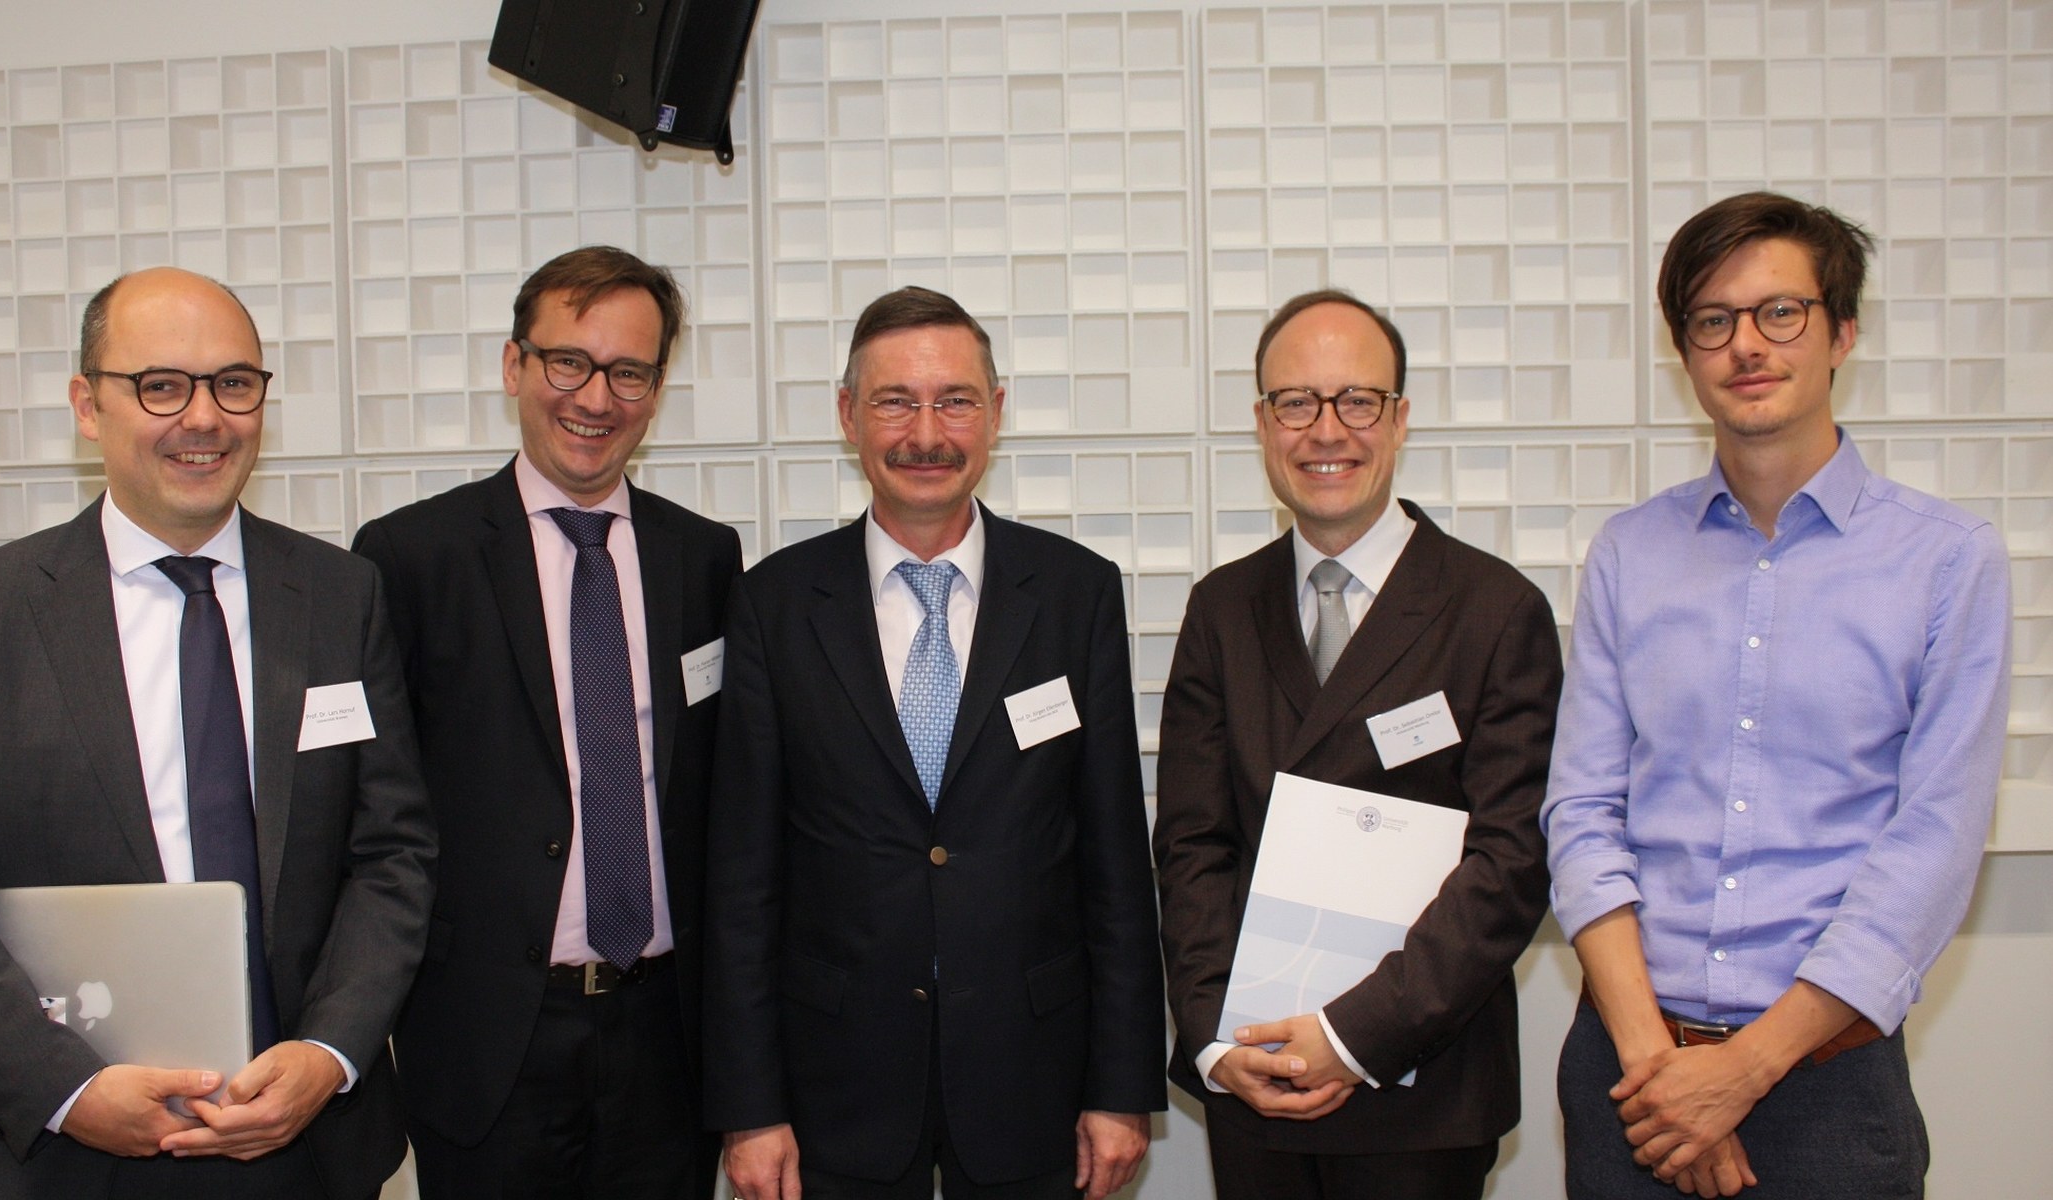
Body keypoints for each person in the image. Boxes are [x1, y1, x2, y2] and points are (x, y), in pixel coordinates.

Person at [0, 266, 435, 1198]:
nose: (204, 418)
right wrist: (66, 1088)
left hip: (310, 1147)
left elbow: (392, 853)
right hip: (74, 1159)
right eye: (161, 385)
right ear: (88, 405)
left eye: (233, 384)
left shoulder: (338, 596)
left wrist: (329, 1051)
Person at [1543, 191, 2011, 1199]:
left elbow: (1932, 845)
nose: (1746, 345)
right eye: (1712, 321)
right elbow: (1582, 812)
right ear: (1683, 351)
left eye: (1780, 313)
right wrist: (1662, 1068)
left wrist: (1741, 1072)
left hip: (1826, 1087)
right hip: (1632, 1073)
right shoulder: (1630, 553)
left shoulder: (1947, 560)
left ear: (1842, 332)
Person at [705, 286, 1165, 1200]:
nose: (926, 434)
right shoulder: (774, 604)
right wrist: (750, 1107)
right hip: (836, 1084)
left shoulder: (1075, 594)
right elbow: (742, 880)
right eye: (894, 402)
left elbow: (1113, 860)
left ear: (996, 413)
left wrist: (1121, 1086)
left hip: (1033, 1076)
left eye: (955, 400)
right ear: (848, 415)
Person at [1154, 289, 1563, 1200]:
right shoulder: (1222, 609)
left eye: (1357, 401)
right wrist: (1217, 1036)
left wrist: (1350, 1036)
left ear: (1401, 418)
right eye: (1296, 402)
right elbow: (1192, 845)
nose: (1326, 430)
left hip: (1421, 1088)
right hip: (1256, 1074)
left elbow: (1511, 861)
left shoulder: (1495, 611)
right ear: (1263, 424)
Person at [351, 245, 740, 1197]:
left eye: (629, 372)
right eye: (569, 362)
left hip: (667, 1038)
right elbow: (376, 812)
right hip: (487, 1038)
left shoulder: (704, 558)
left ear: (657, 389)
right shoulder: (411, 558)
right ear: (514, 365)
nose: (595, 398)